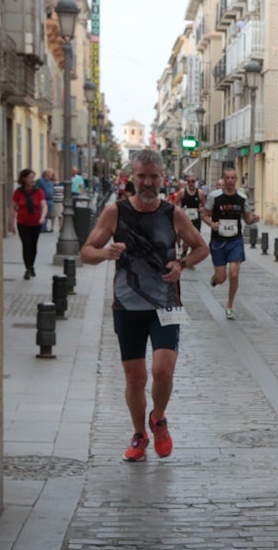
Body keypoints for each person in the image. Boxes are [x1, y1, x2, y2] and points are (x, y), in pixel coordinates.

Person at [78, 148, 209, 462]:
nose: (148, 183)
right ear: (132, 178)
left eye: (153, 177)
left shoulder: (173, 214)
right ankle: (139, 435)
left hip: (167, 304)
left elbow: (201, 247)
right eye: (142, 176)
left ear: (162, 178)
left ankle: (158, 418)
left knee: (163, 371)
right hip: (127, 305)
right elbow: (86, 252)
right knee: (135, 378)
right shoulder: (116, 213)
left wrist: (182, 264)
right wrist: (106, 252)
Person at [203, 167, 257, 318]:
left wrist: (253, 219)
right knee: (221, 278)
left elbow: (247, 219)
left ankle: (229, 306)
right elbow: (205, 215)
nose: (230, 181)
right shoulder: (214, 196)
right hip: (218, 241)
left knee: (234, 273)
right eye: (227, 178)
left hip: (235, 240)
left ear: (236, 180)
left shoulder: (242, 198)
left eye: (233, 178)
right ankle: (215, 278)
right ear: (223, 179)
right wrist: (211, 224)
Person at [8, 168, 47, 279]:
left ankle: (31, 265)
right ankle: (28, 268)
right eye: (30, 177)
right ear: (24, 179)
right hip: (22, 222)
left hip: (36, 222)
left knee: (33, 245)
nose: (32, 180)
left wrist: (43, 216)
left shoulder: (38, 191)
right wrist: (11, 224)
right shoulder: (18, 192)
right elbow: (13, 208)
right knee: (26, 245)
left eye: (33, 177)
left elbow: (44, 206)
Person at [176, 175, 204, 263]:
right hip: (185, 219)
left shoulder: (200, 193)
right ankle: (184, 254)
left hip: (196, 218)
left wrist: (201, 209)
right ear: (187, 183)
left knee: (195, 240)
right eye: (189, 182)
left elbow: (205, 205)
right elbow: (175, 203)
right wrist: (179, 209)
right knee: (187, 240)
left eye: (193, 181)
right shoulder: (182, 192)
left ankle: (190, 257)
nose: (191, 183)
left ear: (195, 182)